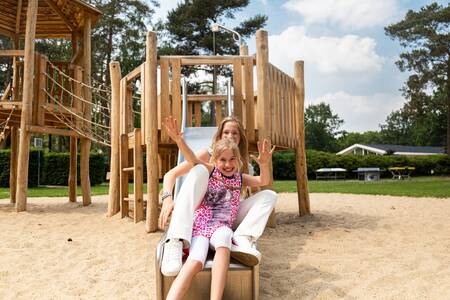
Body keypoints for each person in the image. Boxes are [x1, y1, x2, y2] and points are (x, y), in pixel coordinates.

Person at [163, 116, 275, 300]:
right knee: (195, 261)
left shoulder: (239, 177)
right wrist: (179, 140)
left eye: (232, 160)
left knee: (224, 237)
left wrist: (264, 165)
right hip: (201, 225)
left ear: (238, 160)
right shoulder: (211, 170)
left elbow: (263, 181)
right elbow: (191, 159)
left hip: (223, 225)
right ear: (215, 160)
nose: (228, 164)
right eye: (222, 160)